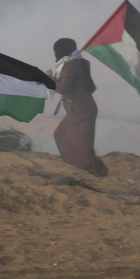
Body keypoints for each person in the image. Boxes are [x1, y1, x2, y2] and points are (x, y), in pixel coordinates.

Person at [47, 38, 108, 177]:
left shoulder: (70, 65)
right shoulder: (74, 62)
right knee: (60, 135)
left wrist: (49, 78)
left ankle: (98, 173)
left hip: (82, 110)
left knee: (84, 147)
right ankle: (79, 166)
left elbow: (62, 88)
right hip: (75, 110)